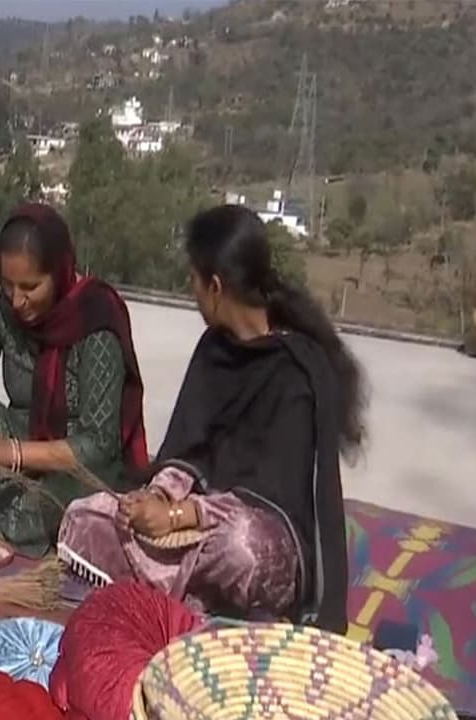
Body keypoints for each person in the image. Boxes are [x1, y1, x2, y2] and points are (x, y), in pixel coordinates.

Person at [59, 204, 366, 634]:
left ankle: (170, 598)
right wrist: (155, 498)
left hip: (254, 538)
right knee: (85, 518)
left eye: (194, 280)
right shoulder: (213, 350)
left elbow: (269, 499)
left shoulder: (297, 370)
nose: (193, 292)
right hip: (187, 529)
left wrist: (178, 516)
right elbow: (188, 451)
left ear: (216, 286)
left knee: (243, 548)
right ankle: (192, 603)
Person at [0, 203, 149, 558]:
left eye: (31, 287)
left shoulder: (95, 319)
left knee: (74, 500)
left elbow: (98, 445)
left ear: (59, 273)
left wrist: (13, 454)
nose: (17, 300)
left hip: (72, 459)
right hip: (18, 426)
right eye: (9, 285)